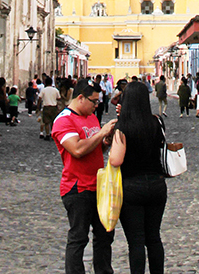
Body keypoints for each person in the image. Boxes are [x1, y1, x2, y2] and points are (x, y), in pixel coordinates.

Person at [52, 80, 118, 274]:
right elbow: (78, 149)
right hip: (77, 187)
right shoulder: (64, 120)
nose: (96, 105)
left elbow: (95, 148)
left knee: (105, 237)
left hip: (98, 185)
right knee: (78, 238)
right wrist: (101, 133)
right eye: (93, 101)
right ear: (80, 98)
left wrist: (106, 140)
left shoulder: (91, 117)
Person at [109, 81, 167, 274]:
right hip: (157, 185)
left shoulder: (123, 127)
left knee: (136, 242)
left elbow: (116, 160)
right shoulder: (156, 121)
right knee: (154, 238)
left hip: (131, 187)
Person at [39, 75, 61, 140]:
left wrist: (38, 107)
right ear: (51, 83)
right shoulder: (55, 90)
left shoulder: (44, 90)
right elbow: (59, 98)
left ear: (45, 83)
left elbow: (40, 98)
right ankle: (52, 134)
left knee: (46, 122)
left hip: (46, 107)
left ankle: (47, 134)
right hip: (54, 107)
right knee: (53, 122)